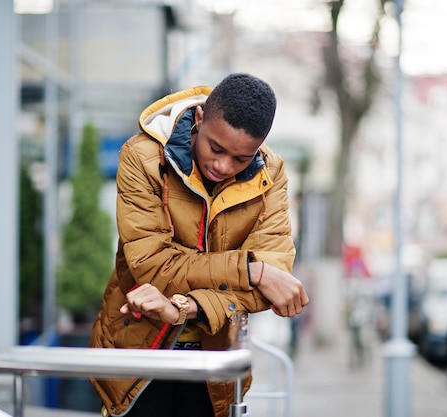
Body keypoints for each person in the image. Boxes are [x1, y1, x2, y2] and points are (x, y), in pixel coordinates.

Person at [88, 72, 310, 417]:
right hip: (139, 348)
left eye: (241, 159)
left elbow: (273, 282)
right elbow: (153, 266)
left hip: (216, 357)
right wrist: (252, 271)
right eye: (216, 148)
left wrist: (185, 308)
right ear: (200, 118)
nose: (223, 166)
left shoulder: (271, 172)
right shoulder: (142, 156)